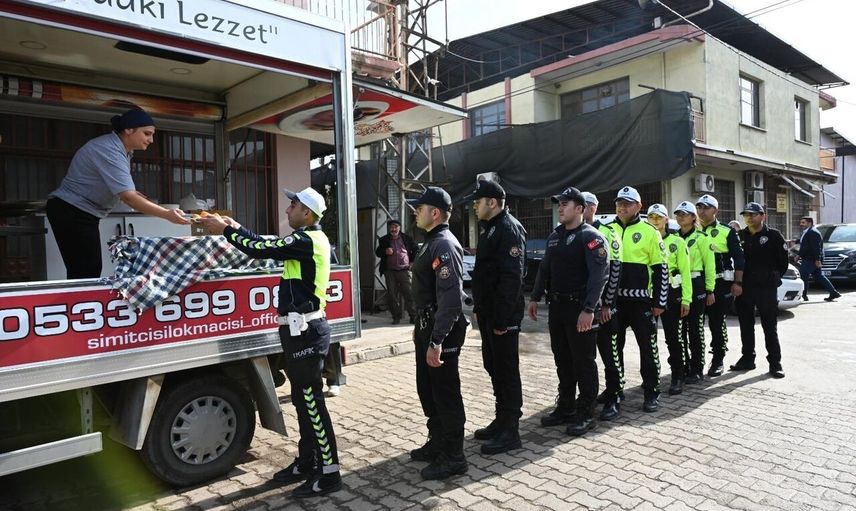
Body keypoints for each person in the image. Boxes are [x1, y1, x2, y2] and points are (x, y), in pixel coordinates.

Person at [198, 187, 342, 498]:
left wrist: (225, 230)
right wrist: (235, 227)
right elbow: (267, 244)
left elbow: (262, 249)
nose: (287, 209)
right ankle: (308, 462)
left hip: (306, 331)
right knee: (303, 402)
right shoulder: (305, 239)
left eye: (293, 205)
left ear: (307, 213)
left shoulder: (305, 240)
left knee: (312, 403)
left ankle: (329, 472)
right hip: (299, 331)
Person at [46, 107, 189, 278]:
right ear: (129, 130)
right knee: (85, 272)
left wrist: (130, 194)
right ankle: (78, 296)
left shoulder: (123, 151)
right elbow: (129, 198)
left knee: (88, 269)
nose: (151, 140)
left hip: (82, 211)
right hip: (72, 210)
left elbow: (122, 189)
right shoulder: (109, 150)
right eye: (147, 134)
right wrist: (167, 214)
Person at [528, 187, 608, 437]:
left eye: (565, 204)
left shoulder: (591, 237)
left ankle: (586, 414)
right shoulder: (555, 236)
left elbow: (599, 276)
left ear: (580, 209)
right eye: (559, 204)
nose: (560, 208)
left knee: (584, 363)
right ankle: (566, 407)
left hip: (579, 309)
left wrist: (589, 309)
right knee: (562, 361)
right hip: (558, 308)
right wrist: (535, 297)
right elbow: (545, 268)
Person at [406, 186, 470, 480]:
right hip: (427, 326)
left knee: (446, 393)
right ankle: (438, 441)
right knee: (428, 389)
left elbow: (451, 299)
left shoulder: (444, 244)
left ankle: (454, 457)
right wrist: (420, 330)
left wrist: (437, 340)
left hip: (442, 330)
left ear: (435, 213)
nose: (415, 213)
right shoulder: (430, 241)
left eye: (420, 209)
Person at [465, 180, 526, 454]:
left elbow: (512, 278)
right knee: (494, 366)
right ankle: (501, 420)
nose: (475, 207)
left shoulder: (508, 229)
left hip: (504, 316)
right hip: (490, 314)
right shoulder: (491, 228)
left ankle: (510, 430)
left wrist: (501, 317)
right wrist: (481, 308)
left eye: (478, 202)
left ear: (492, 202)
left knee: (507, 370)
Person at [601, 186, 668, 418]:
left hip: (641, 303)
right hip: (614, 302)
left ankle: (651, 391)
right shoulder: (606, 229)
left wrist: (659, 301)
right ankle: (614, 393)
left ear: (639, 206)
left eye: (628, 203)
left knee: (648, 348)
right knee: (612, 350)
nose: (622, 207)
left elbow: (661, 269)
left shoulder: (650, 232)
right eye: (619, 203)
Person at [731, 202, 788, 379]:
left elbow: (783, 263)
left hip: (766, 289)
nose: (749, 218)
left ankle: (775, 363)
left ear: (763, 216)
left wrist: (771, 277)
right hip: (745, 288)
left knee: (769, 327)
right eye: (746, 215)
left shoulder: (774, 236)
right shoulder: (740, 236)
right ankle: (748, 358)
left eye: (753, 214)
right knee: (746, 326)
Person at [583, 192, 623, 418]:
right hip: (584, 307)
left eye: (585, 206)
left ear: (592, 208)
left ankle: (614, 396)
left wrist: (607, 304)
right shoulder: (574, 232)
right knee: (586, 356)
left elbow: (615, 269)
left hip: (604, 308)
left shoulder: (607, 232)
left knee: (609, 354)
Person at [695, 194, 745, 377]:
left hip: (720, 285)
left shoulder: (726, 231)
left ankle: (718, 359)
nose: (702, 211)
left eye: (706, 207)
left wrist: (737, 282)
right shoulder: (692, 230)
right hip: (697, 284)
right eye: (699, 207)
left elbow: (739, 258)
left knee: (717, 323)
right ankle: (695, 363)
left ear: (715, 210)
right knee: (694, 325)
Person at [646, 204, 691, 395]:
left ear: (666, 219)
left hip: (672, 294)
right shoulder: (646, 239)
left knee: (674, 338)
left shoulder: (677, 242)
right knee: (649, 339)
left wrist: (686, 299)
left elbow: (686, 272)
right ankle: (652, 378)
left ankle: (677, 376)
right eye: (652, 217)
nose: (655, 220)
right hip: (650, 294)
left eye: (659, 217)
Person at [673, 201, 716, 384]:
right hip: (678, 284)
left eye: (684, 214)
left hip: (696, 283)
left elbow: (710, 266)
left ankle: (697, 368)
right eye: (678, 214)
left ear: (693, 217)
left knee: (695, 329)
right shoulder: (673, 237)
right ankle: (683, 366)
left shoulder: (702, 237)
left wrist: (710, 289)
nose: (680, 217)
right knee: (679, 330)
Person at [375, 219, 418, 324]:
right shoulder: (384, 240)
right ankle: (396, 317)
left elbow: (416, 249)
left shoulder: (407, 238)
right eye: (391, 227)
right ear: (389, 228)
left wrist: (412, 262)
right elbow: (378, 252)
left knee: (409, 294)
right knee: (392, 295)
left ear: (399, 228)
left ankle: (413, 316)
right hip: (390, 271)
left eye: (396, 227)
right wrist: (385, 251)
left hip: (404, 271)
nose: (394, 229)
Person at [797, 216, 841, 302]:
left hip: (811, 259)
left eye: (803, 222)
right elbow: (805, 245)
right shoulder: (807, 232)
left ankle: (803, 295)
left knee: (803, 276)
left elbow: (816, 248)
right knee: (819, 276)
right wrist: (798, 254)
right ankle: (833, 293)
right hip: (811, 259)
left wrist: (817, 260)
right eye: (801, 222)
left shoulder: (813, 232)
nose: (801, 224)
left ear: (809, 223)